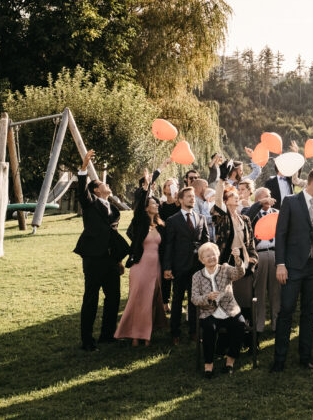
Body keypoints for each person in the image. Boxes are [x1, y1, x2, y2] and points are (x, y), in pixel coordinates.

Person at [272, 167, 313, 373]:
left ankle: (305, 357)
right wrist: (280, 263)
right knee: (286, 312)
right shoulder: (290, 201)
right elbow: (280, 234)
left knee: (309, 313)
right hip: (291, 266)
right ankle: (279, 360)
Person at [73, 149, 129, 351]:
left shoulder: (113, 209)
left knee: (113, 297)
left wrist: (119, 260)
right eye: (104, 184)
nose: (108, 185)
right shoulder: (90, 204)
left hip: (111, 260)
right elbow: (82, 190)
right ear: (96, 190)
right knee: (91, 298)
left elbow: (112, 236)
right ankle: (87, 341)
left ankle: (108, 334)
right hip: (93, 258)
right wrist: (84, 167)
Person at [160, 186, 214, 345]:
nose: (192, 199)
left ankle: (194, 331)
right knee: (177, 301)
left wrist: (207, 262)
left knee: (195, 300)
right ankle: (175, 333)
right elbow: (168, 245)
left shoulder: (201, 218)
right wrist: (167, 267)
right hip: (179, 266)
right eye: (189, 197)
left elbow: (206, 243)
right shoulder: (172, 220)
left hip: (197, 267)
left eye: (193, 196)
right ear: (181, 200)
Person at [114, 189, 168, 345]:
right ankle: (135, 334)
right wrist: (148, 185)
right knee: (138, 299)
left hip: (155, 266)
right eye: (153, 203)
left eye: (157, 203)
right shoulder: (140, 223)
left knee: (151, 299)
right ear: (145, 207)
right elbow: (138, 209)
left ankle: (146, 334)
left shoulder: (161, 225)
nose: (157, 205)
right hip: (140, 265)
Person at [191, 243, 248, 377]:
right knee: (209, 329)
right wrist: (207, 297)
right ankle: (208, 365)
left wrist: (237, 259)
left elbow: (240, 273)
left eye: (214, 254)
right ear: (201, 259)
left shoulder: (225, 269)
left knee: (240, 324)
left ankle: (230, 361)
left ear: (218, 255)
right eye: (207, 256)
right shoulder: (197, 276)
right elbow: (194, 298)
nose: (211, 258)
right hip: (209, 312)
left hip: (229, 309)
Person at [211, 186, 259, 312]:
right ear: (225, 201)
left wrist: (253, 258)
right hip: (227, 260)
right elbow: (217, 200)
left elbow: (251, 242)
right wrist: (221, 181)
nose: (237, 197)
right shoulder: (222, 218)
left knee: (244, 295)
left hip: (244, 259)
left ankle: (246, 325)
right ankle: (226, 327)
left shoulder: (245, 219)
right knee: (227, 295)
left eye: (237, 195)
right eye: (232, 195)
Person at [246, 188, 281, 333]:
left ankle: (276, 323)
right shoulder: (252, 213)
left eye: (270, 196)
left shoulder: (277, 213)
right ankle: (259, 325)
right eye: (266, 197)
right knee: (259, 291)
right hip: (259, 254)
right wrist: (260, 204)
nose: (270, 199)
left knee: (276, 291)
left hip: (274, 253)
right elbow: (247, 217)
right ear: (258, 200)